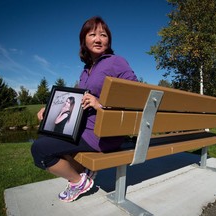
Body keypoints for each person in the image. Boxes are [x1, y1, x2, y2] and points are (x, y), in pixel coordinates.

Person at [31, 16, 138, 203]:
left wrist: (100, 104)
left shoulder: (115, 62)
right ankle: (83, 171)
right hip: (84, 129)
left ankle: (78, 181)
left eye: (103, 35)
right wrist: (50, 110)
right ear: (84, 40)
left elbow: (135, 94)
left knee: (40, 149)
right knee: (46, 138)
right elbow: (76, 102)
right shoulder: (86, 70)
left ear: (109, 40)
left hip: (102, 134)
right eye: (92, 34)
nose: (98, 39)